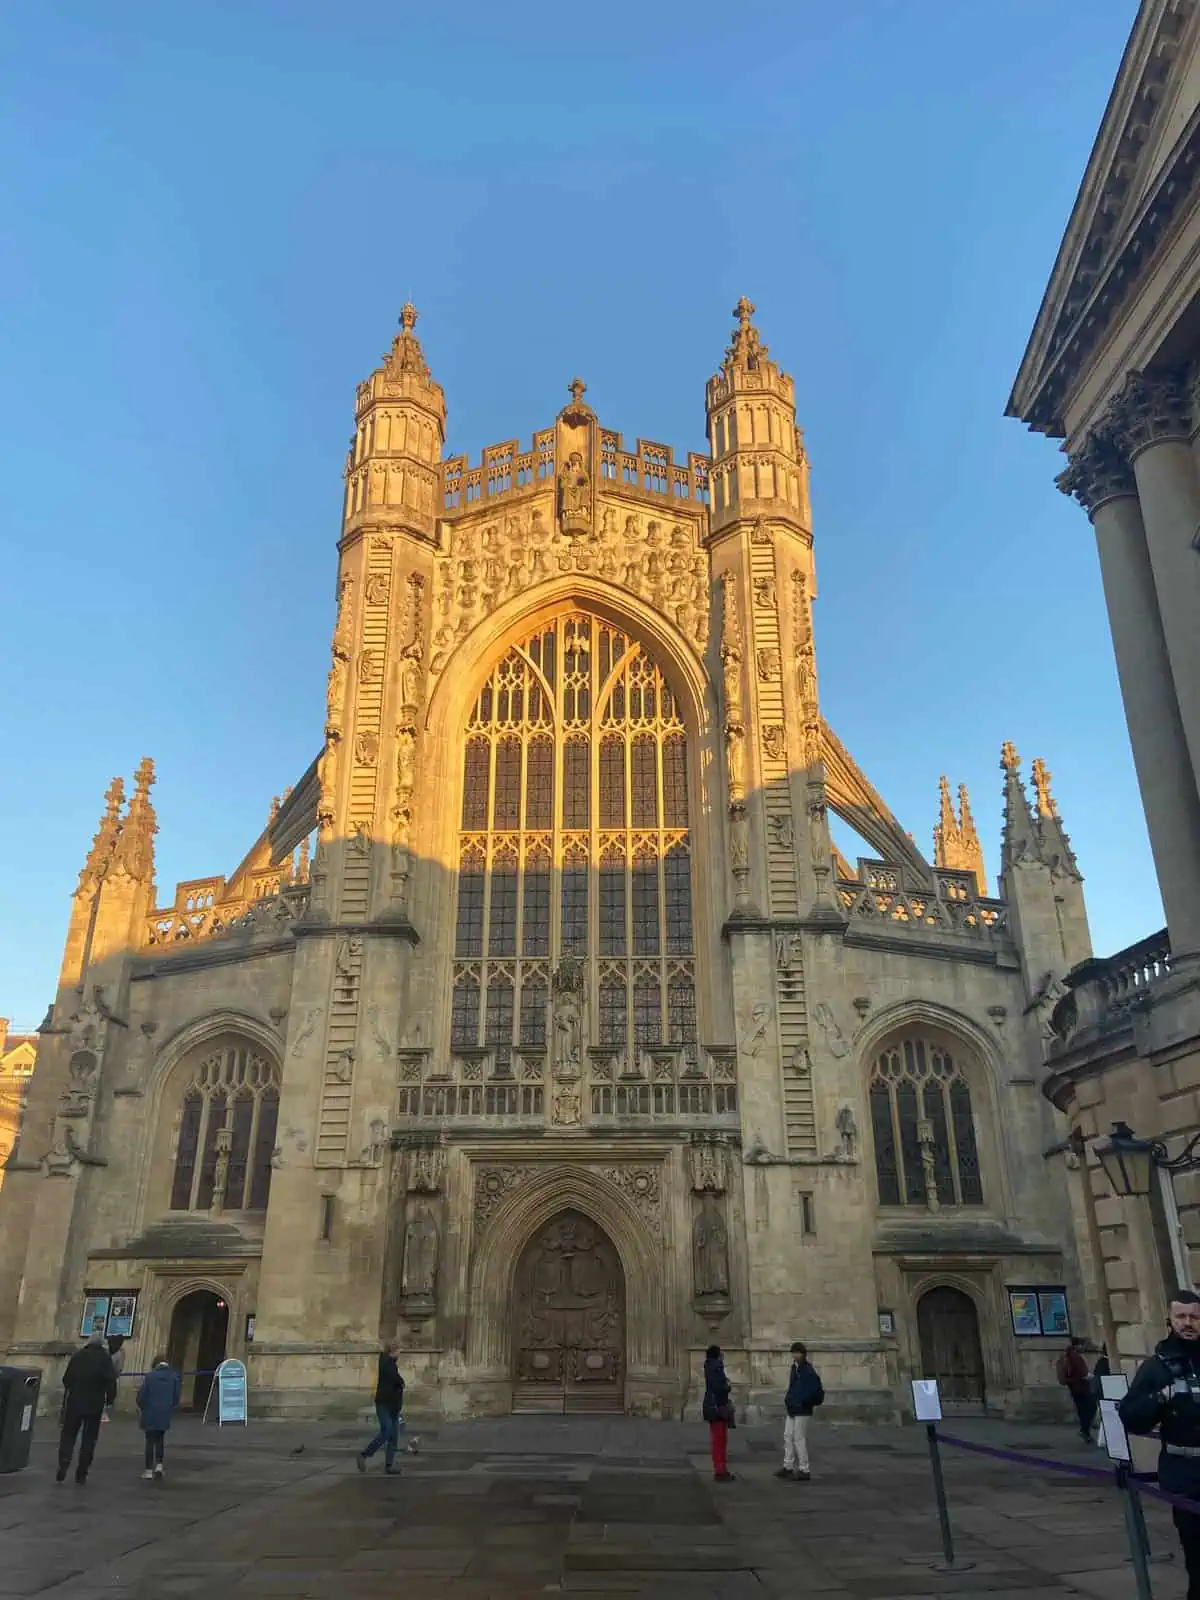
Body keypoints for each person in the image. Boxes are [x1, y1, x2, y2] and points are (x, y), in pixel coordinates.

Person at [1120, 1290, 1200, 1600]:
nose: (1188, 1323)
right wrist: (1161, 1398)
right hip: (1185, 1473)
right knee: (1196, 1552)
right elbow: (1130, 1415)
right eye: (1181, 1317)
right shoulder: (1158, 1366)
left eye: (1194, 1316)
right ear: (1170, 1320)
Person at [57, 1331, 117, 1485]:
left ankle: (64, 1462)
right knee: (89, 1438)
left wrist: (75, 1389)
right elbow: (111, 1381)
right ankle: (82, 1471)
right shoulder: (105, 1359)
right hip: (94, 1404)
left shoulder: (78, 1356)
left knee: (69, 1434)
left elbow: (66, 1379)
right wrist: (110, 1400)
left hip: (75, 1402)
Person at [776, 1341, 824, 1482]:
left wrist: (803, 1401)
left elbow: (812, 1390)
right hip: (792, 1408)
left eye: (797, 1352)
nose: (794, 1355)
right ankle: (788, 1466)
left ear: (802, 1354)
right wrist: (789, 1400)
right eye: (793, 1353)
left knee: (799, 1438)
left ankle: (804, 1469)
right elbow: (792, 1387)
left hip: (803, 1409)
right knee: (787, 1436)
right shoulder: (794, 1368)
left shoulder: (808, 1370)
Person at [356, 1340, 405, 1475]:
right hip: (384, 1404)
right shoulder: (386, 1364)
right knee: (387, 1431)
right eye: (399, 1351)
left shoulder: (390, 1364)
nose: (400, 1353)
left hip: (394, 1406)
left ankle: (389, 1466)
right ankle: (364, 1455)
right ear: (392, 1352)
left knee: (394, 1436)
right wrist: (401, 1382)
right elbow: (395, 1379)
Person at [136, 1356, 180, 1480]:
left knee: (150, 1440)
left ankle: (148, 1470)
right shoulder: (174, 1377)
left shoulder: (150, 1377)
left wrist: (142, 1406)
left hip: (150, 1412)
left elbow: (141, 1396)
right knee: (160, 1439)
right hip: (164, 1413)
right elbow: (176, 1399)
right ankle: (159, 1465)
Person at [702, 1344, 735, 1482]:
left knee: (717, 1439)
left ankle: (720, 1469)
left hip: (711, 1406)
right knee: (720, 1440)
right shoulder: (717, 1367)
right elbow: (720, 1387)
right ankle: (721, 1470)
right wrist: (727, 1386)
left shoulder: (709, 1366)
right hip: (718, 1407)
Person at [1056, 1337, 1096, 1441]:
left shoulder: (1065, 1355)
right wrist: (1091, 1376)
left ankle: (1084, 1431)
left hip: (1073, 1388)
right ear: (1078, 1345)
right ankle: (1085, 1431)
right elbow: (1083, 1373)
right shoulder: (1076, 1356)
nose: (1084, 1348)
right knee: (1090, 1408)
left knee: (1081, 1410)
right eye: (1083, 1346)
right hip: (1081, 1387)